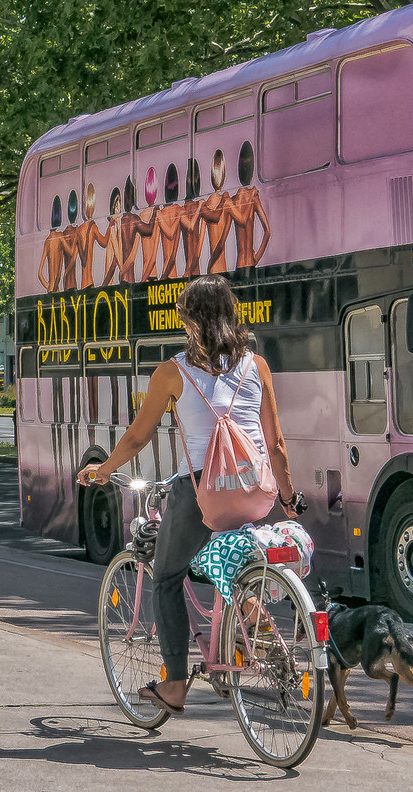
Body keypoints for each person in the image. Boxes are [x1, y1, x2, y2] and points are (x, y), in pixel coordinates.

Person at [78, 275, 300, 716]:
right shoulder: (257, 366)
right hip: (256, 492)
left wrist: (103, 471)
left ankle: (175, 683)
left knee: (166, 577)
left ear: (190, 322)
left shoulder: (172, 371)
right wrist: (290, 502)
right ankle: (250, 621)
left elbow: (139, 437)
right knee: (227, 558)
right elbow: (275, 446)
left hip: (202, 494)